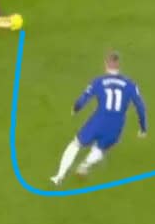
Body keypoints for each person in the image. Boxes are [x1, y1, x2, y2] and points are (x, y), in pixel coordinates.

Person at [50, 51, 148, 184]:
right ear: (118, 65)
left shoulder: (99, 82)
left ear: (106, 64)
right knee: (100, 149)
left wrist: (76, 108)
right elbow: (140, 107)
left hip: (99, 121)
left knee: (75, 144)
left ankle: (59, 176)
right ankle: (84, 166)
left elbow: (84, 98)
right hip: (116, 126)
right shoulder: (130, 85)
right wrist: (143, 128)